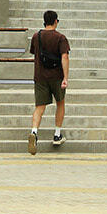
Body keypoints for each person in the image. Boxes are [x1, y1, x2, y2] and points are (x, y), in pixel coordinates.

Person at [28, 9, 70, 154]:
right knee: (60, 102)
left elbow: (34, 53)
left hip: (40, 76)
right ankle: (57, 134)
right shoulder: (61, 38)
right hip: (56, 77)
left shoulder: (36, 36)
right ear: (56, 21)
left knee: (39, 107)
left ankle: (34, 133)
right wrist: (65, 78)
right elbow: (64, 57)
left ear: (44, 21)